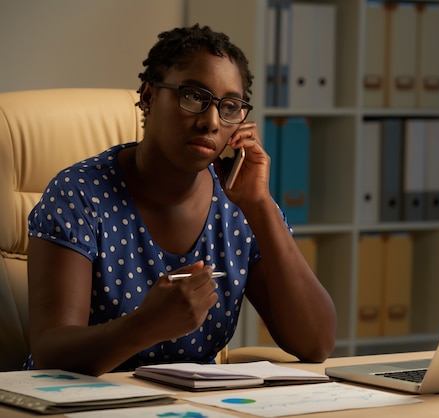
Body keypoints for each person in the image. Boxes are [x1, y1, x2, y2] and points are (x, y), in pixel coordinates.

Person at [26, 24, 336, 376]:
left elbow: (316, 343)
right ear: (148, 97)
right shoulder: (79, 194)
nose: (211, 121)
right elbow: (51, 353)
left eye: (229, 107)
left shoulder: (240, 208)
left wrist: (260, 206)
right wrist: (146, 325)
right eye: (193, 96)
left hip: (190, 407)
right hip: (77, 403)